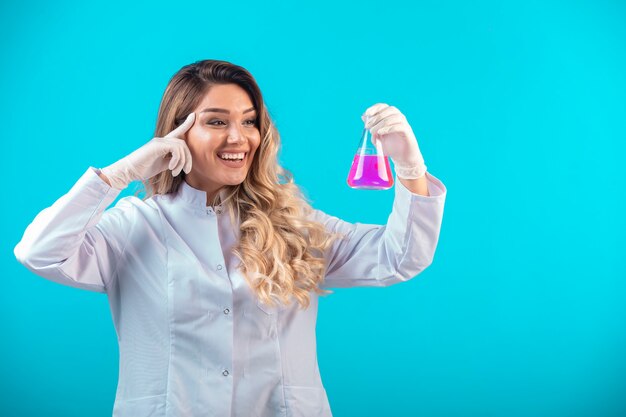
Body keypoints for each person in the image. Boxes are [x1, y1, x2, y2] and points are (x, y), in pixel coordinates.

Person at [14, 59, 447, 417]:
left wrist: (409, 164)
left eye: (249, 121)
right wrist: (120, 174)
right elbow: (39, 252)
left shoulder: (293, 224)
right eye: (216, 121)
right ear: (176, 133)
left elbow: (400, 257)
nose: (239, 137)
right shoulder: (133, 227)